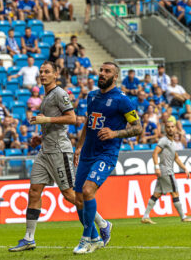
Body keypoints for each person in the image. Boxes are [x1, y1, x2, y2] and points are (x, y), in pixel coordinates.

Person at [9, 61, 108, 252]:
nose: (42, 75)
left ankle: (102, 224)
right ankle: (29, 238)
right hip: (45, 150)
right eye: (41, 72)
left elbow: (72, 118)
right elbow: (53, 124)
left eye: (47, 72)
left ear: (56, 74)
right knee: (34, 191)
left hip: (59, 151)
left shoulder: (60, 93)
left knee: (70, 195)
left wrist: (46, 119)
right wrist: (40, 137)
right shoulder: (46, 96)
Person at [72, 62, 142, 254]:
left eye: (107, 71)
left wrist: (114, 133)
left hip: (106, 154)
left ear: (115, 76)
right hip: (87, 153)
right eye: (101, 70)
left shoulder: (122, 100)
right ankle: (100, 229)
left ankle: (86, 238)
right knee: (78, 199)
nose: (102, 74)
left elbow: (137, 128)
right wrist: (78, 147)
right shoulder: (92, 96)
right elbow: (88, 121)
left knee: (87, 191)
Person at [141, 121, 191, 224]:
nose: (170, 129)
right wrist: (156, 167)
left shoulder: (172, 142)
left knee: (157, 194)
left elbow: (176, 157)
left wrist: (185, 168)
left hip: (164, 171)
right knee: (175, 192)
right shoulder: (164, 141)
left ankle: (145, 216)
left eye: (172, 127)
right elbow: (155, 153)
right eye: (168, 127)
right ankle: (183, 217)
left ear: (175, 128)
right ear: (165, 129)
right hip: (166, 171)